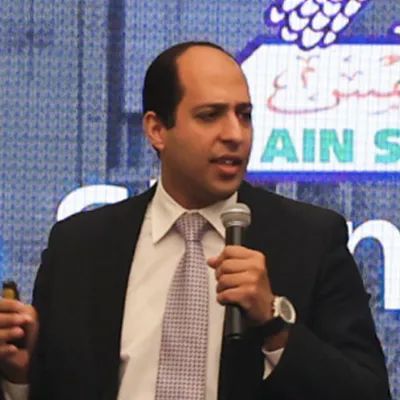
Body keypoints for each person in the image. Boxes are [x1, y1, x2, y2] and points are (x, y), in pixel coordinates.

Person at [0, 41, 391, 400]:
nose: (235, 134)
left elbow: (368, 392)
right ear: (157, 130)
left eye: (244, 115)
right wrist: (19, 377)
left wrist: (274, 323)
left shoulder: (310, 240)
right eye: (210, 116)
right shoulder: (79, 246)